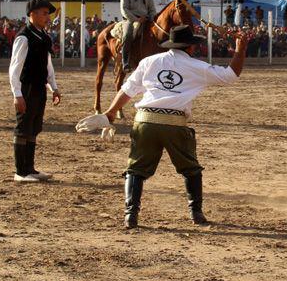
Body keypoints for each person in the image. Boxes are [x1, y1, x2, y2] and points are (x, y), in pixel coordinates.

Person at [101, 25, 247, 228]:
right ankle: (196, 214)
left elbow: (127, 90)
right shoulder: (197, 66)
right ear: (191, 47)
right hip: (174, 123)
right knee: (191, 170)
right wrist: (240, 49)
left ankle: (130, 215)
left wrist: (110, 113)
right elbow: (231, 75)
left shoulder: (149, 61)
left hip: (145, 120)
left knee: (135, 170)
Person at [9, 0, 62, 183]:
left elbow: (48, 65)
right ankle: (20, 171)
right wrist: (17, 94)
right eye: (44, 13)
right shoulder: (24, 37)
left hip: (40, 88)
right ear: (32, 14)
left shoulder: (44, 37)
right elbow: (14, 69)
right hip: (27, 88)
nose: (48, 17)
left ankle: (30, 168)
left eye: (48, 14)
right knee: (23, 128)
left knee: (33, 128)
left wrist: (54, 87)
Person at [119, 0, 156, 72]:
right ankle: (125, 61)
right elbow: (124, 9)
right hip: (130, 20)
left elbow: (152, 10)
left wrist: (150, 17)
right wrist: (136, 19)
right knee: (127, 35)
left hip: (145, 20)